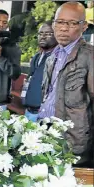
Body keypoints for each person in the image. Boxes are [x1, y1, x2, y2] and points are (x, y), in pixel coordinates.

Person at [39, 2, 94, 167]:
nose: (63, 28)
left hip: (74, 147)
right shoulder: (51, 57)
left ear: (83, 26)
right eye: (60, 22)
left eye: (71, 23)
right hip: (46, 138)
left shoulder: (90, 57)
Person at [23, 21, 57, 121]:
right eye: (40, 33)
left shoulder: (56, 58)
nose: (43, 37)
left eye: (48, 34)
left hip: (43, 114)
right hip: (28, 110)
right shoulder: (37, 57)